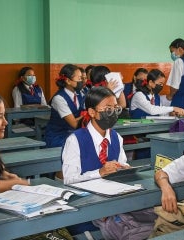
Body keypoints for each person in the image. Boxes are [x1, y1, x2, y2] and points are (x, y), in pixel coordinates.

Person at [62, 86, 129, 235]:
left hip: (112, 203)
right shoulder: (75, 140)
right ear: (92, 112)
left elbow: (123, 165)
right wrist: (99, 172)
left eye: (115, 109)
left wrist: (125, 169)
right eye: (107, 109)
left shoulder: (116, 137)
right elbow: (69, 180)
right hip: (84, 209)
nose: (113, 114)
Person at [44, 64, 85, 148]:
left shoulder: (80, 94)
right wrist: (88, 114)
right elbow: (74, 124)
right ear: (68, 81)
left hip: (75, 134)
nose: (82, 81)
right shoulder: (59, 98)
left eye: (82, 78)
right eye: (79, 78)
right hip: (59, 136)